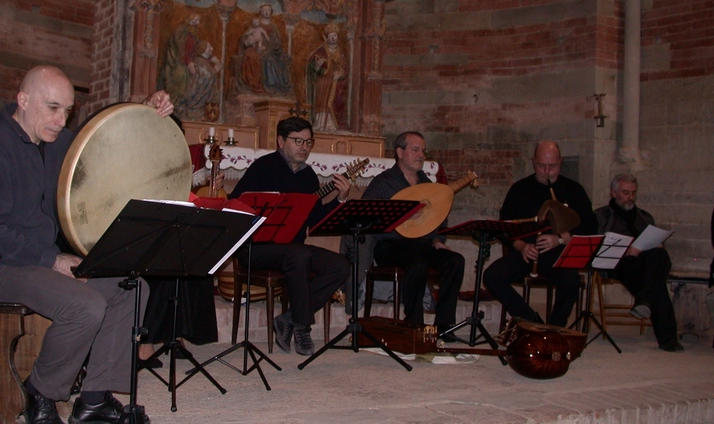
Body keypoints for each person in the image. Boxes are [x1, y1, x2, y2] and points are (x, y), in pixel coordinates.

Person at [0, 65, 173, 424]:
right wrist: (52, 260)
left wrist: (143, 108)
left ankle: (93, 400)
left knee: (131, 289)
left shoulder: (56, 143)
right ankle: (40, 392)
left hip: (38, 261)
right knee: (84, 305)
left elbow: (105, 141)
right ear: (23, 101)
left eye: (67, 111)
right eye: (52, 108)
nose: (60, 120)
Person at [229, 116, 351, 355]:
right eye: (298, 141)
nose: (304, 147)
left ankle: (290, 318)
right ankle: (303, 328)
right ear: (281, 140)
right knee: (299, 255)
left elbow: (316, 221)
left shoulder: (308, 176)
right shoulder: (263, 166)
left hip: (294, 249)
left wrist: (340, 199)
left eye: (308, 142)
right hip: (257, 248)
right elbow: (236, 205)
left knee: (340, 265)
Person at [361, 131, 465, 338]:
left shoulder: (427, 184)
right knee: (417, 263)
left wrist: (437, 239)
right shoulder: (383, 182)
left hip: (425, 243)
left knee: (455, 261)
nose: (421, 155)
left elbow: (439, 217)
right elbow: (366, 214)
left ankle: (444, 326)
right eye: (415, 149)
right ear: (400, 152)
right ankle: (414, 325)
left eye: (423, 151)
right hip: (391, 246)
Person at [483, 141, 597, 327]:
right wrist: (521, 246)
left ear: (560, 162)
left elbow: (590, 225)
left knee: (571, 281)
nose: (546, 171)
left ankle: (554, 328)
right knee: (492, 276)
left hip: (558, 254)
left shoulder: (573, 189)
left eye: (552, 166)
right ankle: (531, 321)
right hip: (525, 254)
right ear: (533, 162)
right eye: (541, 166)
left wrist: (560, 238)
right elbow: (504, 227)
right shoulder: (519, 189)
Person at [595, 174, 683, 352]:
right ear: (613, 192)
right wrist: (625, 250)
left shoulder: (644, 216)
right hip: (618, 263)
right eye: (625, 193)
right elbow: (595, 246)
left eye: (633, 193)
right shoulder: (601, 216)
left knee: (661, 257)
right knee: (655, 283)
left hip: (645, 261)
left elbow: (653, 242)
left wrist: (656, 244)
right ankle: (667, 337)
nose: (630, 197)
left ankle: (644, 300)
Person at [307, 23, 347, 132]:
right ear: (327, 37)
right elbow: (312, 67)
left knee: (335, 101)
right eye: (330, 36)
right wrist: (318, 65)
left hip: (335, 82)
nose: (332, 38)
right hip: (323, 80)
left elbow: (344, 66)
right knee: (322, 101)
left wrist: (340, 73)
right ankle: (320, 124)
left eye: (334, 36)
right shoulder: (321, 50)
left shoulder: (340, 52)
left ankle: (331, 124)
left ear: (338, 37)